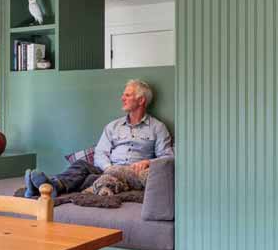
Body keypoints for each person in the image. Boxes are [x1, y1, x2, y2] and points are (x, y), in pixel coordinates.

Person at [24, 79, 173, 197]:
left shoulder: (157, 127)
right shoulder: (113, 126)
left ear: (141, 100)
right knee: (82, 165)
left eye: (127, 95)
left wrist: (148, 162)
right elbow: (100, 153)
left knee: (87, 180)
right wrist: (109, 168)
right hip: (108, 170)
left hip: (132, 175)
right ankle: (52, 185)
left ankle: (42, 188)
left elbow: (167, 157)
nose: (122, 98)